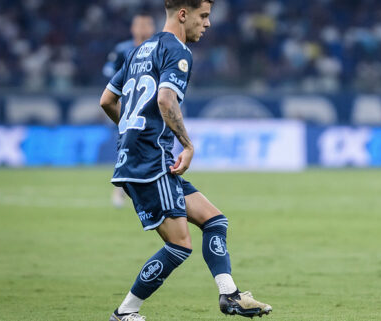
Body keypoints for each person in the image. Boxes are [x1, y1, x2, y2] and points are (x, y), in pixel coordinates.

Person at [99, 1, 272, 320]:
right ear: (183, 14)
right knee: (179, 245)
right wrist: (187, 145)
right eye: (203, 16)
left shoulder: (138, 51)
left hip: (142, 158)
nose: (207, 24)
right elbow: (165, 99)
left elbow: (107, 100)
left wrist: (132, 128)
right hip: (151, 161)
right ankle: (125, 313)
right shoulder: (177, 50)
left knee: (215, 220)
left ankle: (229, 295)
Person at [103, 12, 156, 208]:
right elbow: (109, 72)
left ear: (152, 28)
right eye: (139, 25)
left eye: (147, 25)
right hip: (128, 108)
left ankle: (142, 188)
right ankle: (121, 190)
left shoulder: (157, 49)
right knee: (129, 147)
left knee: (151, 148)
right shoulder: (123, 50)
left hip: (152, 110)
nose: (143, 29)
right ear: (133, 28)